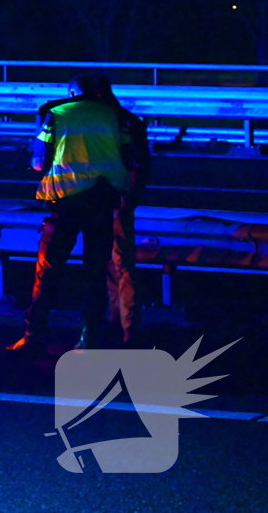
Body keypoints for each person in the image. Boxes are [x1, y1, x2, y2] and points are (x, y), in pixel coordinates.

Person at [7, 73, 132, 354]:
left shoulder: (57, 113)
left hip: (65, 202)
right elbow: (129, 154)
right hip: (103, 200)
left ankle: (34, 335)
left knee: (47, 271)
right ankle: (89, 338)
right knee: (95, 272)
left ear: (72, 92)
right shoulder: (114, 114)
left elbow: (38, 162)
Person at [96, 75, 151, 347]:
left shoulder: (103, 122)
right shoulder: (127, 119)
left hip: (108, 200)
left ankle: (122, 326)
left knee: (115, 265)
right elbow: (141, 163)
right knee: (118, 264)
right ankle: (122, 324)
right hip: (119, 200)